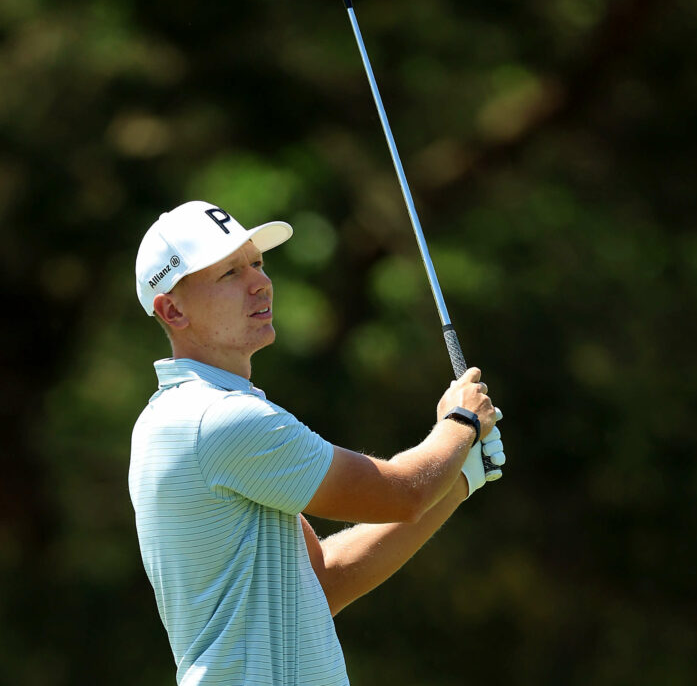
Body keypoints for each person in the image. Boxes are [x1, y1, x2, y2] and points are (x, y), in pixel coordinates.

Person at [129, 201, 506, 685]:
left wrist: (459, 479)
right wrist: (460, 423)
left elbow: (323, 578)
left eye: (257, 263)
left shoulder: (178, 415)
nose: (259, 282)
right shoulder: (219, 419)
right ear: (172, 309)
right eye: (228, 273)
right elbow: (401, 492)